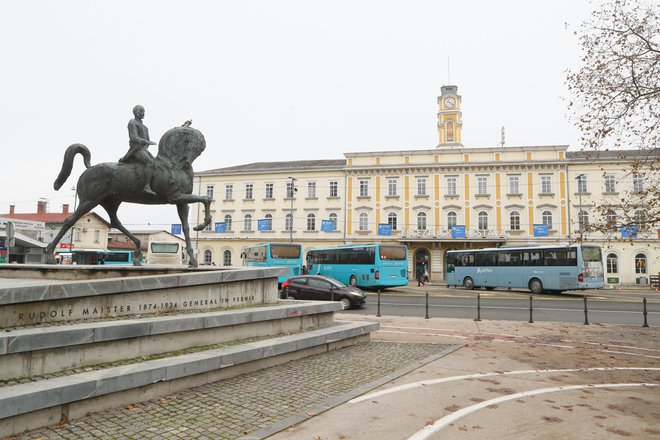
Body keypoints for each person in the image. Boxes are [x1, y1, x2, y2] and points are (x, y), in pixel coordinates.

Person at [119, 105, 157, 196]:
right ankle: (146, 186)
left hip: (144, 150)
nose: (143, 113)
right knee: (150, 163)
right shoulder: (132, 123)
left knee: (156, 163)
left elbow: (147, 140)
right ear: (135, 112)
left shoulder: (145, 128)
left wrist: (147, 145)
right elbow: (134, 137)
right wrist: (145, 141)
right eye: (141, 111)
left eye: (144, 111)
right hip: (135, 149)